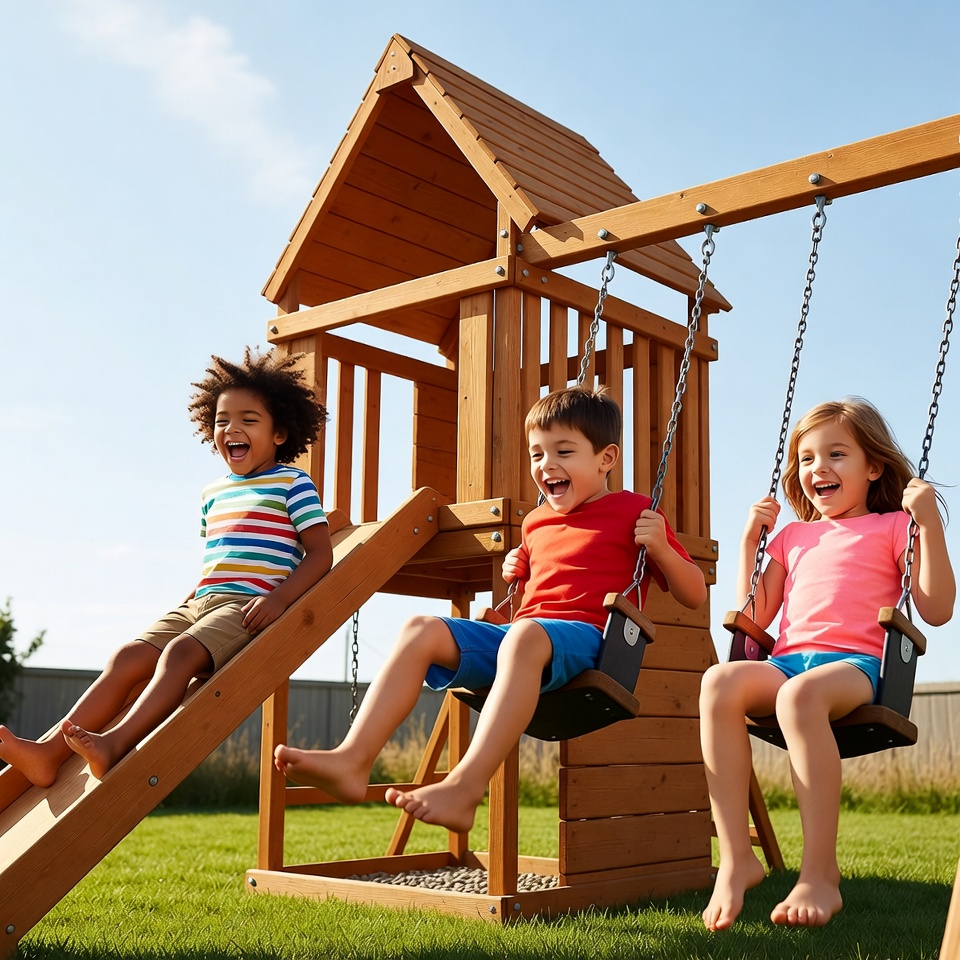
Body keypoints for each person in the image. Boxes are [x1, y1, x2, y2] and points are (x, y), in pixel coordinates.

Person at [275, 385, 707, 834]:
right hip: (530, 636)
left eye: (563, 451)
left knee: (524, 637)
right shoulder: (536, 522)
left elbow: (693, 593)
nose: (547, 465)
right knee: (421, 628)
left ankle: (465, 786)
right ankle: (352, 760)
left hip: (591, 641)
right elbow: (537, 601)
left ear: (606, 459)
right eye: (536, 454)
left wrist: (661, 548)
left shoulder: (634, 510)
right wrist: (517, 571)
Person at [0, 348, 333, 786]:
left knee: (178, 656)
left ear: (279, 432)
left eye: (249, 420)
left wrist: (280, 598)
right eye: (222, 421)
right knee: (127, 657)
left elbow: (321, 554)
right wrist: (192, 597)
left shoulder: (293, 483)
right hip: (202, 602)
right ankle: (49, 753)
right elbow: (220, 553)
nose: (232, 429)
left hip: (248, 606)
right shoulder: (212, 493)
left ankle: (115, 743)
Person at [700, 398, 955, 932]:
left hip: (855, 668)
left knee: (800, 696)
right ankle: (735, 856)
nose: (819, 469)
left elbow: (935, 608)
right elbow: (755, 613)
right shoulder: (794, 537)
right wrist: (751, 542)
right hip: (789, 662)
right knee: (719, 681)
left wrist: (927, 524)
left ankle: (819, 874)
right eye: (808, 459)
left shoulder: (892, 528)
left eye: (836, 454)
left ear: (874, 467)